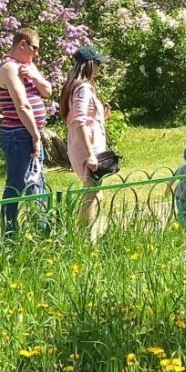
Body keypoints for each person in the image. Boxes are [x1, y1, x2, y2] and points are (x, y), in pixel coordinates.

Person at [0, 28, 53, 237]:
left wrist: (35, 77)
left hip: (31, 133)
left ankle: (42, 233)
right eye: (34, 48)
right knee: (16, 186)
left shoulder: (28, 66)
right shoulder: (9, 68)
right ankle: (10, 235)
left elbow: (48, 91)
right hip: (19, 135)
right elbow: (22, 106)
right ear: (22, 45)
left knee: (37, 183)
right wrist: (35, 136)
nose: (36, 53)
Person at [60, 44, 110, 233]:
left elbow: (83, 118)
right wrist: (91, 155)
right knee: (92, 194)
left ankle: (88, 234)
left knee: (96, 194)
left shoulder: (79, 87)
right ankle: (84, 237)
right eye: (97, 63)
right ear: (89, 64)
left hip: (86, 145)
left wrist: (101, 116)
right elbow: (78, 122)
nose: (99, 67)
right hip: (87, 148)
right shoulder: (82, 89)